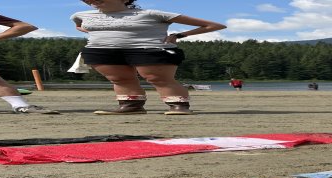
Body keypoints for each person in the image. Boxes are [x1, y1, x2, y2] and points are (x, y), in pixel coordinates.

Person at [73, 0, 226, 115]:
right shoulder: (79, 15)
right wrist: (104, 33)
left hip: (149, 49)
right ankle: (131, 106)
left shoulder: (152, 14)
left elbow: (214, 25)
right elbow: (79, 25)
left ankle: (179, 106)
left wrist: (179, 35)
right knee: (119, 79)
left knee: (157, 78)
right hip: (101, 51)